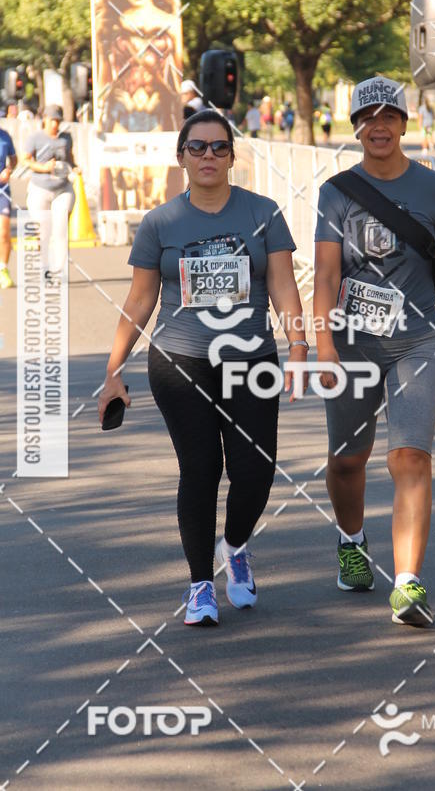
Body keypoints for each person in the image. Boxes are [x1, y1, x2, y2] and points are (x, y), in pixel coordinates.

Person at [98, 110, 308, 627]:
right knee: (200, 470)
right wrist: (113, 369)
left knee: (255, 472)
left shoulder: (263, 212)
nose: (208, 156)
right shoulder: (161, 223)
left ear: (233, 157)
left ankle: (234, 546)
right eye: (198, 147)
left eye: (218, 147)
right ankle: (199, 585)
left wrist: (299, 345)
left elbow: (283, 285)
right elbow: (140, 299)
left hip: (250, 361)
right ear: (182, 157)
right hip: (179, 361)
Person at [314, 76, 435, 628]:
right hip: (352, 343)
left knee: (409, 456)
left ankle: (408, 583)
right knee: (347, 460)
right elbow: (325, 273)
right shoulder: (336, 191)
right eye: (368, 118)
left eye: (390, 117)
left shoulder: (434, 188)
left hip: (416, 340)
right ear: (356, 128)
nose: (379, 126)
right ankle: (351, 541)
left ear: (404, 125)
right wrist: (322, 346)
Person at [96, 0, 182, 133]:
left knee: (158, 161)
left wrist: (178, 106)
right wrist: (99, 110)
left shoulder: (171, 22)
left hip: (158, 108)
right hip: (120, 107)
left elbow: (177, 74)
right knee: (120, 160)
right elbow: (103, 76)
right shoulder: (109, 23)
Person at [23, 105, 79, 275]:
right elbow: (26, 161)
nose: (55, 124)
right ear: (45, 119)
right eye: (52, 120)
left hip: (62, 188)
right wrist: (43, 167)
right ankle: (43, 266)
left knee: (61, 229)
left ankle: (58, 270)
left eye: (58, 120)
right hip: (40, 187)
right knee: (43, 231)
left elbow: (70, 158)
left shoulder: (66, 138)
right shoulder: (35, 138)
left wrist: (75, 168)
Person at [0, 125, 17, 289]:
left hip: (2, 192)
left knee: (4, 233)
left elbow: (14, 159)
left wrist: (9, 170)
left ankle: (3, 269)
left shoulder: (5, 136)